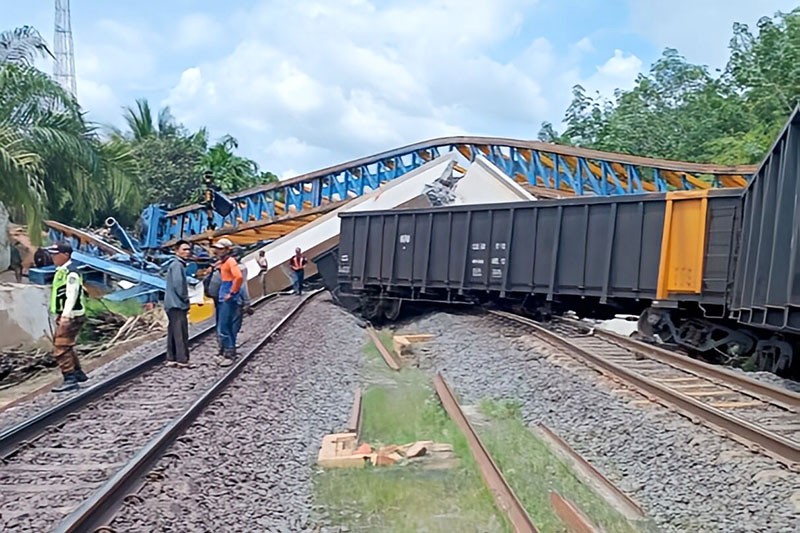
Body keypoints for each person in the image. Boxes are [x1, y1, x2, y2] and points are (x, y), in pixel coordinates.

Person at [45, 242, 89, 393]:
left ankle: (69, 378)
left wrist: (66, 315)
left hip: (71, 315)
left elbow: (72, 294)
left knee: (60, 347)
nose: (53, 257)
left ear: (65, 255)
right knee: (67, 344)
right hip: (66, 314)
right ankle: (77, 373)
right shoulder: (62, 271)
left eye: (55, 254)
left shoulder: (71, 273)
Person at [212, 238, 243, 366]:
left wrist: (231, 293)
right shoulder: (224, 262)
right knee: (226, 325)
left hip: (227, 297)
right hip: (224, 296)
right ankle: (226, 350)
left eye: (221, 249)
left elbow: (239, 277)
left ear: (227, 249)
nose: (218, 251)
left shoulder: (230, 261)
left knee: (224, 326)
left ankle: (229, 353)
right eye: (217, 249)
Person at [164, 240, 191, 368]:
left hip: (171, 304)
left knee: (173, 332)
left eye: (188, 250)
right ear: (176, 251)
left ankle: (171, 358)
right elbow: (179, 285)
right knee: (180, 332)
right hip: (177, 304)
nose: (187, 252)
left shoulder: (175, 264)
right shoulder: (177, 265)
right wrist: (186, 299)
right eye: (184, 249)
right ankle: (182, 359)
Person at [232, 247, 254, 340]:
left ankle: (225, 345)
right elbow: (242, 286)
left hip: (224, 298)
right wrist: (247, 301)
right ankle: (231, 343)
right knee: (235, 322)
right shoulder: (241, 268)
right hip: (237, 298)